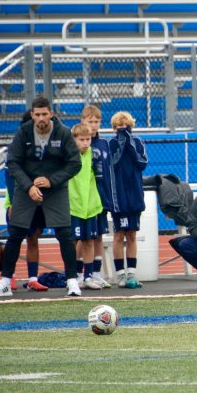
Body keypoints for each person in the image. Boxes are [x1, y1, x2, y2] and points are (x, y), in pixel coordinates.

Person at [0, 96, 82, 297]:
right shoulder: (23, 132)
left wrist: (52, 180)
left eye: (45, 114)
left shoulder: (63, 132)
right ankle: (6, 281)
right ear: (32, 115)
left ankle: (72, 281)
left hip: (55, 189)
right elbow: (13, 163)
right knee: (15, 234)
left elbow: (74, 163)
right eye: (38, 114)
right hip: (27, 190)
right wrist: (28, 187)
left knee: (64, 234)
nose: (41, 118)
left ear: (51, 113)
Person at [109, 111, 148, 289]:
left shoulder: (138, 142)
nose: (123, 131)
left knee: (132, 234)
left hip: (134, 195)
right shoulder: (110, 143)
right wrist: (121, 144)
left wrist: (129, 144)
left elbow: (142, 163)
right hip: (119, 196)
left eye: (127, 127)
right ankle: (120, 275)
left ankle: (131, 273)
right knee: (119, 234)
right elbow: (112, 163)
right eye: (120, 128)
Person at [68, 123, 104, 290]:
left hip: (90, 207)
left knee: (89, 241)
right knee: (74, 243)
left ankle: (89, 277)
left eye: (88, 139)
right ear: (74, 139)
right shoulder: (68, 156)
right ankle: (75, 276)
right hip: (74, 206)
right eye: (81, 139)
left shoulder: (93, 155)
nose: (85, 143)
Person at [80, 105, 112, 288]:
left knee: (98, 236)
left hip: (100, 197)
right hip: (82, 200)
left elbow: (108, 172)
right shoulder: (78, 142)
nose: (93, 125)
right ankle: (79, 274)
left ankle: (96, 274)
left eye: (96, 121)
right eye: (90, 121)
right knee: (82, 238)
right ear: (82, 121)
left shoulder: (103, 144)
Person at [4, 171, 48, 292]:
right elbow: (9, 175)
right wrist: (13, 202)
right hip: (17, 203)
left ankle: (32, 280)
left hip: (36, 203)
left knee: (33, 239)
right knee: (15, 240)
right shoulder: (15, 154)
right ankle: (9, 277)